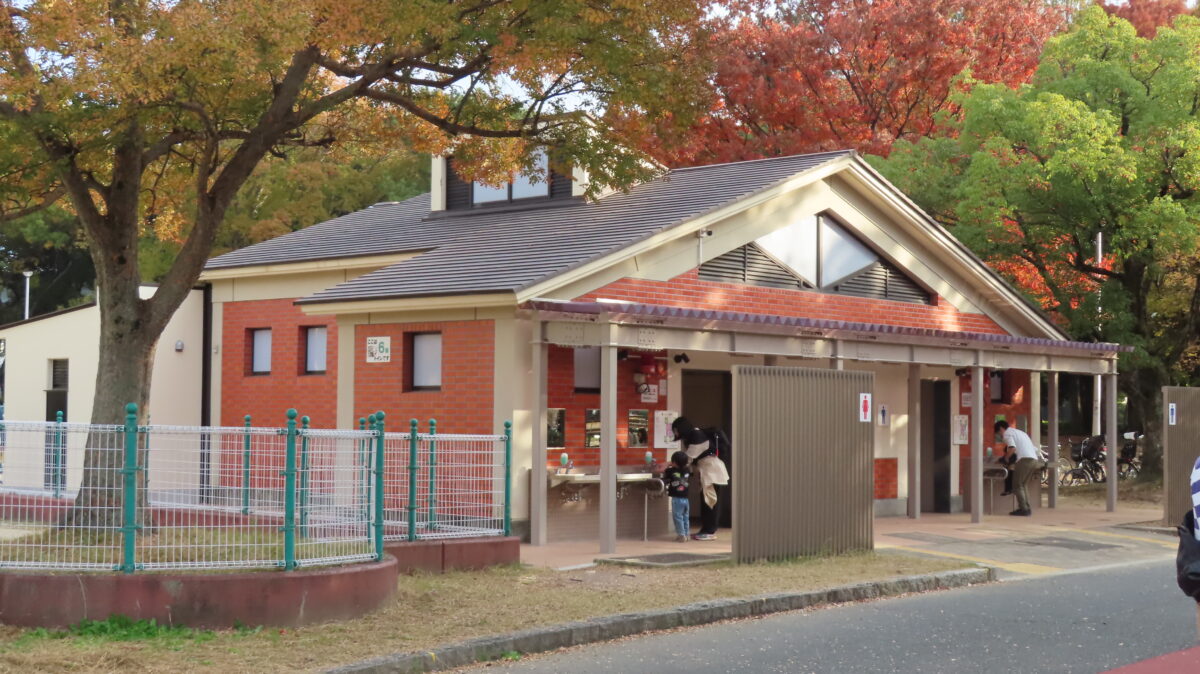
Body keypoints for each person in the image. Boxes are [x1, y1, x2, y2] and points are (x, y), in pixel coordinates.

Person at [671, 416, 730, 541]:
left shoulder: (697, 436)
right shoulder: (693, 436)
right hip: (707, 472)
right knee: (706, 502)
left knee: (710, 501)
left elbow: (687, 458)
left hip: (712, 472)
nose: (675, 433)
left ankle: (710, 531)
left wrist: (669, 464)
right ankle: (705, 530)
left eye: (675, 430)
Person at [995, 420, 1039, 516]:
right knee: (1023, 485)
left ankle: (1023, 509)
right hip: (1034, 459)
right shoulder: (1020, 432)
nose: (1000, 435)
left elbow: (1012, 448)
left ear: (1001, 429)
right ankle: (1026, 508)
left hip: (1024, 460)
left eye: (998, 433)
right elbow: (1035, 448)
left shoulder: (1007, 434)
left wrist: (1005, 458)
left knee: (1017, 485)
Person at [662, 450, 691, 542]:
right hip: (686, 498)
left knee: (677, 517)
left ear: (674, 462)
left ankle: (681, 535)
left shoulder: (671, 471)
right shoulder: (687, 470)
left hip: (677, 499)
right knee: (685, 517)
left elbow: (663, 471)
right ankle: (687, 534)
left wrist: (668, 464)